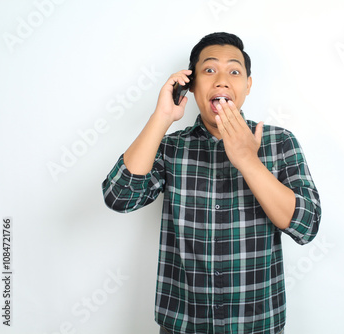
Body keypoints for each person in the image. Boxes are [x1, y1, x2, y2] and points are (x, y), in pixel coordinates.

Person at [102, 32, 321, 334]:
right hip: (182, 325)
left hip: (256, 325)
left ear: (248, 85)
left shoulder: (279, 142)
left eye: (234, 71)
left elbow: (306, 226)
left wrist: (248, 160)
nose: (221, 80)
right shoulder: (171, 147)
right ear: (191, 85)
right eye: (209, 70)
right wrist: (162, 117)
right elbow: (119, 197)